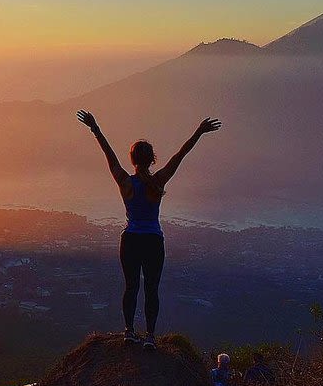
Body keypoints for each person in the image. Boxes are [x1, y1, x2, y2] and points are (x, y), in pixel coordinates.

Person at [77, 110, 221, 349]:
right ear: (152, 159)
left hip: (131, 240)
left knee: (131, 286)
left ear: (132, 159)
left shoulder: (125, 182)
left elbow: (109, 155)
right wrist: (199, 132)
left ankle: (129, 331)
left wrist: (95, 128)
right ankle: (151, 336)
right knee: (151, 288)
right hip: (153, 241)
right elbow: (180, 154)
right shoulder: (159, 182)